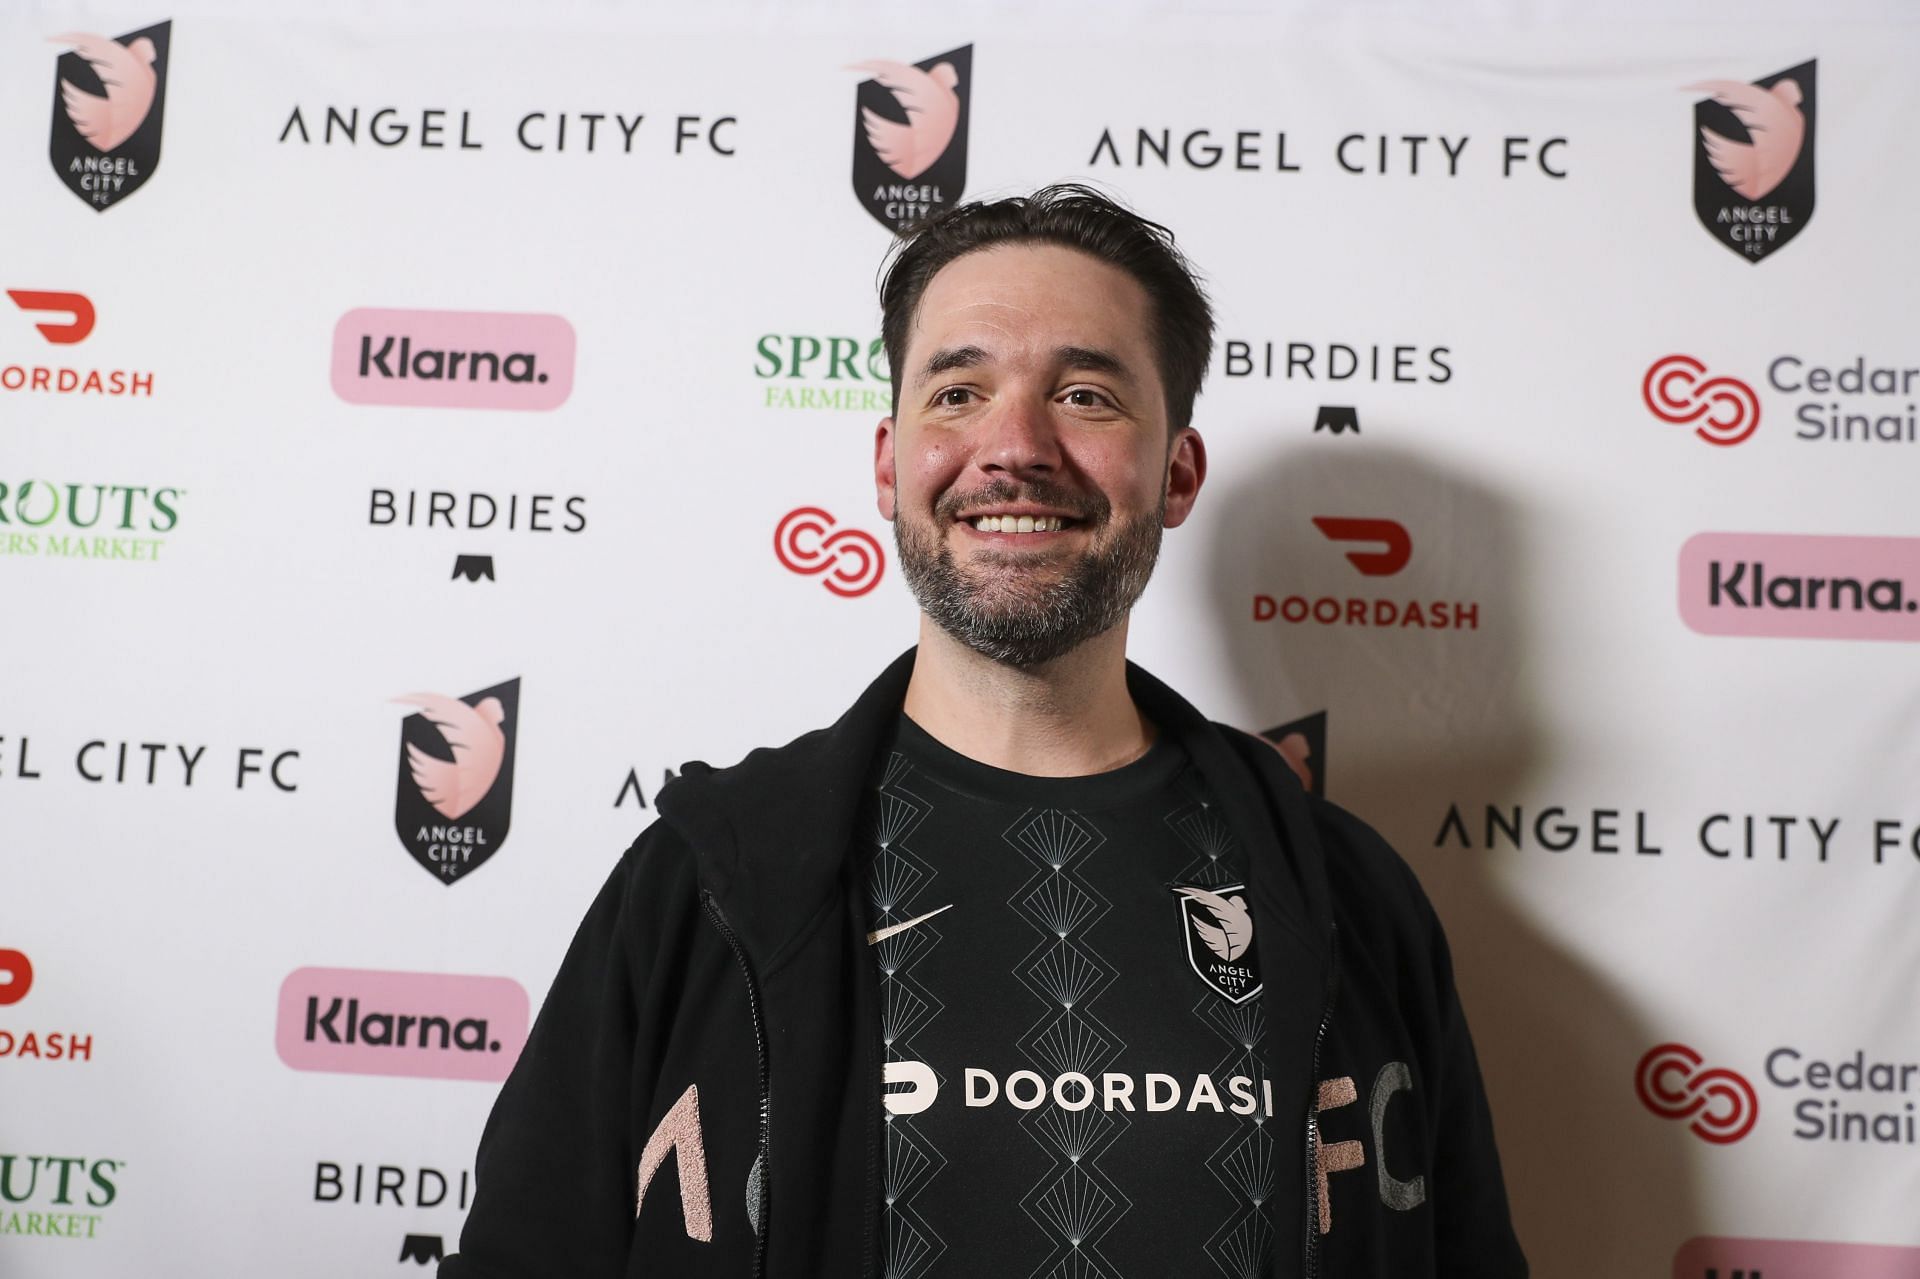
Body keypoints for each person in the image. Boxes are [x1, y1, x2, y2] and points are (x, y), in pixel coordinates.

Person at [441, 185, 1526, 1278]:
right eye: (958, 391)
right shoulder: (705, 879)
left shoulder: (1349, 898)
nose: (1015, 447)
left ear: (1178, 472)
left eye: (1088, 395)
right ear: (887, 463)